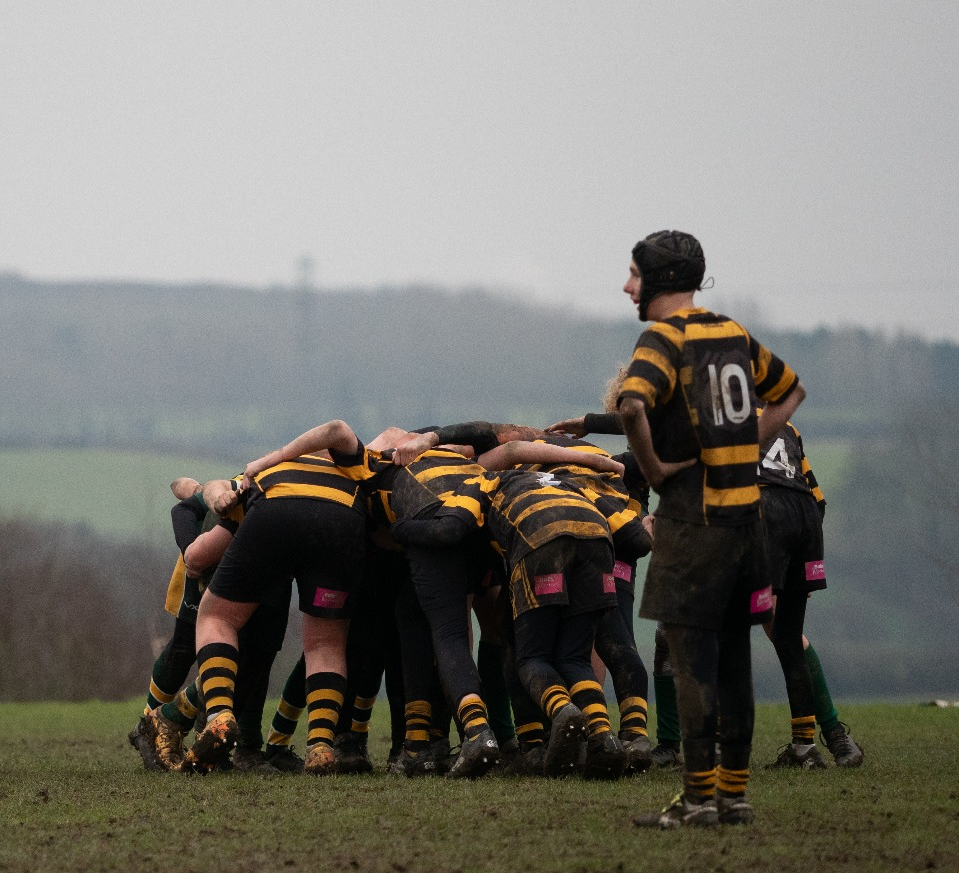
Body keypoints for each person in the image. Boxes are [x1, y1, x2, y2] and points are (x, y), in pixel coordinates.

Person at [617, 230, 805, 828]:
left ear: (661, 281)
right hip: (747, 522)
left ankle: (697, 799)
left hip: (692, 523)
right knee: (735, 659)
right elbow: (791, 389)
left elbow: (631, 403)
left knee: (689, 660)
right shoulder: (732, 332)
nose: (626, 287)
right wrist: (746, 446)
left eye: (633, 275)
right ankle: (735, 794)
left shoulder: (662, 338)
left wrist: (654, 469)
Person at [188, 424, 368, 776]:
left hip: (277, 513)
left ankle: (220, 717)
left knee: (217, 618)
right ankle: (319, 746)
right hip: (343, 520)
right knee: (325, 644)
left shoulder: (271, 469)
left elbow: (215, 515)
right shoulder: (354, 472)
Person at [759, 417, 864, 768]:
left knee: (716, 625)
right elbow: (818, 499)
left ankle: (710, 749)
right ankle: (810, 746)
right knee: (787, 636)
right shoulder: (789, 426)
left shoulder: (720, 415)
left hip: (765, 513)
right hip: (805, 520)